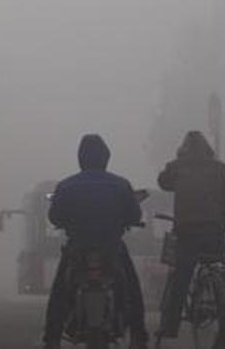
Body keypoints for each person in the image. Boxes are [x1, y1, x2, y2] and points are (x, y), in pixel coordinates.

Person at [42, 134, 147, 349]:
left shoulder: (66, 186)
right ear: (106, 158)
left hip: (78, 246)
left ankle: (51, 339)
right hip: (111, 246)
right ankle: (139, 337)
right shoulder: (121, 185)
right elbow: (135, 216)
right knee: (131, 287)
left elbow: (54, 217)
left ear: (81, 158)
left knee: (60, 290)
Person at [156, 130, 225, 346]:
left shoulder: (178, 166)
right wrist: (220, 227)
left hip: (186, 232)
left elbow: (163, 182)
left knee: (180, 278)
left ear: (186, 148)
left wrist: (177, 159)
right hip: (213, 232)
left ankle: (170, 325)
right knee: (223, 275)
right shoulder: (220, 169)